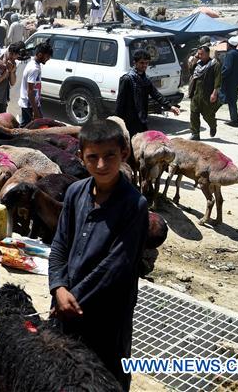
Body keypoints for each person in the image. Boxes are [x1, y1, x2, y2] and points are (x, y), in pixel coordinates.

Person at [49, 119, 148, 390]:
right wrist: (58, 286)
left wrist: (71, 298)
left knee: (106, 376)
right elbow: (59, 243)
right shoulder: (74, 193)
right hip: (67, 303)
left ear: (124, 154)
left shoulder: (134, 206)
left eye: (109, 156)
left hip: (107, 313)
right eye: (93, 157)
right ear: (81, 157)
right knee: (67, 372)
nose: (101, 165)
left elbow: (116, 266)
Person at [115, 50, 181, 136]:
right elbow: (120, 102)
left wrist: (170, 106)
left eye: (146, 63)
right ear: (135, 63)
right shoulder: (127, 79)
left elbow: (156, 94)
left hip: (141, 119)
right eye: (142, 63)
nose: (144, 65)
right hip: (129, 120)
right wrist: (117, 121)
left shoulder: (145, 80)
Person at [188, 44, 222, 140]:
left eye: (201, 54)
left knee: (207, 115)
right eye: (198, 54)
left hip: (207, 94)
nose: (199, 56)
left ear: (207, 54)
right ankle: (195, 133)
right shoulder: (198, 64)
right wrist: (195, 58)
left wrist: (214, 93)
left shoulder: (214, 64)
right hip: (195, 93)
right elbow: (191, 71)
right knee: (194, 113)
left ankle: (213, 125)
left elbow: (218, 80)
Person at [18, 42, 53, 126]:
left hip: (32, 104)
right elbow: (30, 91)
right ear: (40, 55)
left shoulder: (35, 64)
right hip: (29, 105)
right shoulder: (34, 69)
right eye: (47, 56)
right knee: (27, 129)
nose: (48, 59)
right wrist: (36, 111)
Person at [219, 36, 238, 127]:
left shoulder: (230, 54)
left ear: (229, 45)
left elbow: (227, 68)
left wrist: (220, 76)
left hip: (229, 81)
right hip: (235, 81)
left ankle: (234, 120)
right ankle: (234, 119)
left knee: (229, 99)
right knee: (231, 99)